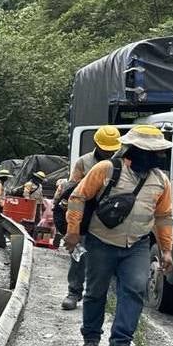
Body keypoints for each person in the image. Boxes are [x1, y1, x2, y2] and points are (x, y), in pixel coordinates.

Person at [63, 125, 173, 346]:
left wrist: (166, 250)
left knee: (135, 289)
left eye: (160, 152)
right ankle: (91, 338)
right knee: (96, 292)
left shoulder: (161, 181)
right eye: (154, 152)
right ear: (136, 150)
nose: (160, 156)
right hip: (101, 241)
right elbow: (78, 197)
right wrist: (73, 231)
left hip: (137, 245)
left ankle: (120, 345)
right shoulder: (106, 169)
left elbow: (164, 216)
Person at [60, 126, 122, 311]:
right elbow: (73, 189)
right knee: (79, 254)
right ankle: (74, 292)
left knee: (110, 258)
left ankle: (105, 297)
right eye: (105, 149)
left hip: (110, 216)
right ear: (96, 144)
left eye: (112, 149)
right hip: (87, 215)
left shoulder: (122, 163)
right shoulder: (84, 162)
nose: (109, 153)